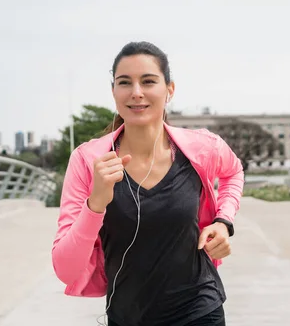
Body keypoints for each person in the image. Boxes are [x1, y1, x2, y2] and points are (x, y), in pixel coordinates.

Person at [52, 41, 244, 326]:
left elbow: (233, 172)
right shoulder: (87, 160)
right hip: (126, 317)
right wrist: (96, 204)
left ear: (169, 90)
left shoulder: (202, 147)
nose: (137, 93)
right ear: (114, 91)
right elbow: (65, 269)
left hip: (199, 311)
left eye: (148, 81)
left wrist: (223, 221)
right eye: (125, 82)